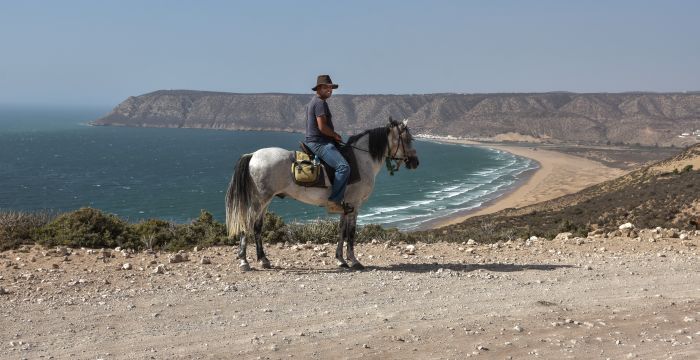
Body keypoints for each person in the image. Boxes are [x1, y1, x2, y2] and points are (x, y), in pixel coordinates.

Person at [304, 75, 352, 214]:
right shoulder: (319, 103)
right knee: (343, 167)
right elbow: (322, 128)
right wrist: (335, 135)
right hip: (319, 143)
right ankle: (334, 201)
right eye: (326, 87)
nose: (330, 90)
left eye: (331, 87)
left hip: (319, 140)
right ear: (319, 88)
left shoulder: (314, 102)